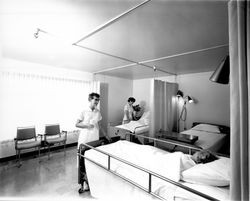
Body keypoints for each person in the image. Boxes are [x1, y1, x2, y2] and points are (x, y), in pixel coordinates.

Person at [76, 92, 110, 191]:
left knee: (92, 158)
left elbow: (100, 125)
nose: (97, 102)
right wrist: (87, 126)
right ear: (90, 99)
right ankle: (84, 183)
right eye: (95, 99)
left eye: (98, 100)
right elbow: (77, 124)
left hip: (94, 138)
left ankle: (92, 179)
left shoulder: (98, 112)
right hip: (85, 137)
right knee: (82, 159)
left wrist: (106, 135)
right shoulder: (84, 111)